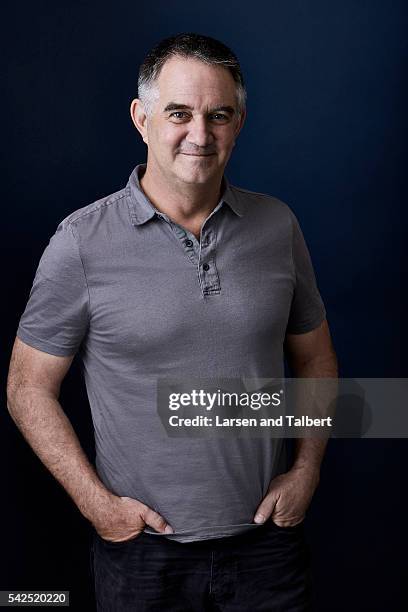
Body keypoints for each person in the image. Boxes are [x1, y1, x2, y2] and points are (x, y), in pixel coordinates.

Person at [7, 32, 338, 611]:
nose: (200, 134)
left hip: (268, 548)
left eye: (219, 115)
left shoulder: (278, 225)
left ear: (240, 122)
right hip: (143, 554)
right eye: (179, 114)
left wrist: (307, 468)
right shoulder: (82, 242)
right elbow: (26, 388)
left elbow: (315, 359)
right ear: (142, 118)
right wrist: (97, 506)